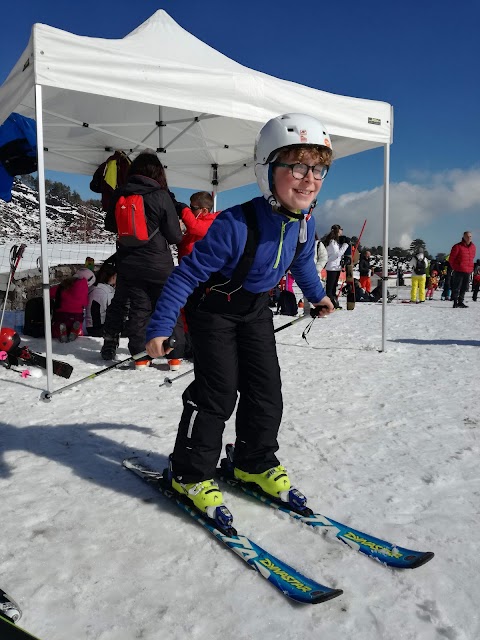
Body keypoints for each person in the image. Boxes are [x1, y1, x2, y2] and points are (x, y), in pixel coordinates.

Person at [145, 113, 335, 526]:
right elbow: (186, 275)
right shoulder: (235, 224)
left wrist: (318, 296)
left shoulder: (304, 222)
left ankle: (253, 462)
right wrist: (161, 326)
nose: (310, 178)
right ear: (269, 170)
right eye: (297, 166)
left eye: (318, 167)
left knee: (266, 389)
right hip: (213, 311)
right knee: (218, 392)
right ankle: (189, 474)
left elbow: (301, 263)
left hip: (253, 311)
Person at [102, 151, 184, 368]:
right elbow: (175, 236)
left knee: (139, 309)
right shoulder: (161, 195)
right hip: (158, 263)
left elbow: (109, 225)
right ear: (157, 172)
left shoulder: (121, 193)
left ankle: (141, 356)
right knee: (167, 305)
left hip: (129, 262)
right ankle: (173, 353)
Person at [51, 267, 96, 342]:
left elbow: (50, 292)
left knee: (56, 328)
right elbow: (85, 303)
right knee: (78, 327)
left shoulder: (64, 285)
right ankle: (76, 331)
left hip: (61, 314)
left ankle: (61, 332)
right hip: (77, 316)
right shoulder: (83, 289)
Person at [177, 191, 220, 262]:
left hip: (196, 264)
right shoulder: (197, 221)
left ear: (204, 211)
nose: (190, 210)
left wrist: (184, 209)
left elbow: (193, 226)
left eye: (193, 208)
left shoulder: (211, 223)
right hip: (185, 262)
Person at [85, 264, 117, 337]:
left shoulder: (94, 287)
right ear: (112, 277)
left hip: (90, 326)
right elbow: (113, 311)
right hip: (100, 329)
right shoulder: (106, 291)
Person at [322, 225, 350, 308]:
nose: (342, 231)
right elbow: (336, 254)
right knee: (330, 287)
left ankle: (333, 303)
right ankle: (328, 303)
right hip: (332, 267)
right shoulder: (332, 242)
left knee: (334, 286)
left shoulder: (336, 242)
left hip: (336, 266)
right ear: (337, 231)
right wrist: (345, 245)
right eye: (341, 229)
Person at [449, 231, 476, 308]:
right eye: (467, 236)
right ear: (464, 237)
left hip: (468, 270)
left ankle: (461, 301)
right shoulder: (457, 246)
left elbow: (472, 258)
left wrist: (471, 268)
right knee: (457, 287)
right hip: (459, 270)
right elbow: (451, 259)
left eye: (470, 236)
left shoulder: (473, 247)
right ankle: (455, 302)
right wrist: (455, 267)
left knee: (464, 287)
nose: (469, 238)